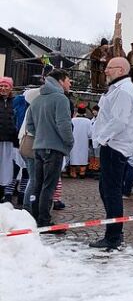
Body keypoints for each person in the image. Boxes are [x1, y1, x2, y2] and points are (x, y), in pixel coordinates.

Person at [90, 57, 133, 249]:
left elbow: (119, 121)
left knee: (111, 192)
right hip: (113, 144)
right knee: (106, 190)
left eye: (109, 68)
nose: (105, 71)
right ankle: (113, 233)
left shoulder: (124, 92)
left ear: (120, 70)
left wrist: (102, 138)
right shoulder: (119, 89)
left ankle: (113, 236)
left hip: (115, 146)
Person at [25, 69, 73, 227]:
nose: (70, 83)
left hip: (38, 147)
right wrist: (69, 142)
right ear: (60, 81)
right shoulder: (61, 99)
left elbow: (30, 126)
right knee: (48, 186)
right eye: (68, 79)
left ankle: (36, 218)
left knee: (38, 184)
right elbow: (64, 125)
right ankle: (44, 221)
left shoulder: (37, 100)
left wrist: (42, 134)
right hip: (54, 149)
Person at [0, 77, 18, 202]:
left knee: (9, 167)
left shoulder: (16, 101)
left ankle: (6, 192)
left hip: (11, 139)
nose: (3, 88)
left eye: (6, 86)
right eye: (1, 86)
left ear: (11, 88)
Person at [68, 104, 93, 179]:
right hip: (84, 141)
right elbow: (90, 134)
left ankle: (73, 173)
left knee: (73, 155)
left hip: (74, 141)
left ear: (77, 111)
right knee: (83, 155)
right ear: (85, 112)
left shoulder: (72, 120)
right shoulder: (88, 121)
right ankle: (82, 172)